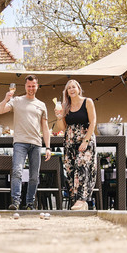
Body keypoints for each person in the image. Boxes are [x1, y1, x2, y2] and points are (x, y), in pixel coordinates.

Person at [0, 75, 51, 210]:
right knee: (17, 171)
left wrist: (48, 147)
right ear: (25, 86)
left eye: (33, 86)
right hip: (20, 142)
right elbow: (0, 110)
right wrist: (6, 99)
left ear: (37, 86)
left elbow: (45, 127)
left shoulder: (41, 105)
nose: (31, 88)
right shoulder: (17, 100)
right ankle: (15, 201)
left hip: (36, 144)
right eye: (28, 86)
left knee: (34, 176)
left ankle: (30, 203)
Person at [53, 80, 97, 211]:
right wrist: (59, 117)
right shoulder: (65, 105)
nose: (71, 89)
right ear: (66, 92)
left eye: (73, 87)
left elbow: (93, 121)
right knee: (71, 169)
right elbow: (62, 128)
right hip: (70, 141)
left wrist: (86, 141)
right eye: (68, 88)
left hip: (85, 139)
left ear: (78, 88)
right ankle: (77, 200)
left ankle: (81, 199)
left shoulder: (87, 102)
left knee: (82, 166)